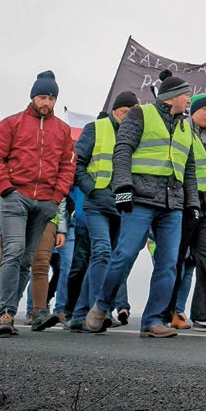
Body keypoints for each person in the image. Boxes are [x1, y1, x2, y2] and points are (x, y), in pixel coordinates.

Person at [85, 70, 198, 338]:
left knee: (169, 262)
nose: (189, 100)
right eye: (186, 95)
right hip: (141, 199)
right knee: (124, 254)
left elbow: (189, 167)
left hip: (173, 204)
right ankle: (102, 304)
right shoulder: (140, 114)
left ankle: (152, 321)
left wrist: (191, 202)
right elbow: (122, 149)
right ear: (171, 98)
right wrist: (123, 188)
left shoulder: (186, 126)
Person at [0, 71, 75, 337]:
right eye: (42, 96)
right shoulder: (12, 123)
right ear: (33, 96)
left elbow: (68, 166)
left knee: (26, 259)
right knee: (13, 250)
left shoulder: (63, 130)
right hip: (15, 198)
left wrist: (55, 197)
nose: (46, 102)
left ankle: (14, 310)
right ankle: (5, 313)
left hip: (45, 201)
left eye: (51, 97)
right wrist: (6, 188)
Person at [68, 92, 136, 332]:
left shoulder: (134, 134)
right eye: (126, 112)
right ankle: (101, 310)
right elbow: (76, 163)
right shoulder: (95, 128)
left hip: (120, 205)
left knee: (110, 258)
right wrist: (90, 189)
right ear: (116, 110)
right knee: (101, 252)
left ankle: (79, 315)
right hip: (96, 202)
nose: (129, 118)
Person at [166, 92, 206, 333]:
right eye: (204, 109)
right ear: (193, 111)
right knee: (175, 261)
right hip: (184, 206)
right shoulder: (181, 131)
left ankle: (203, 316)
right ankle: (166, 312)